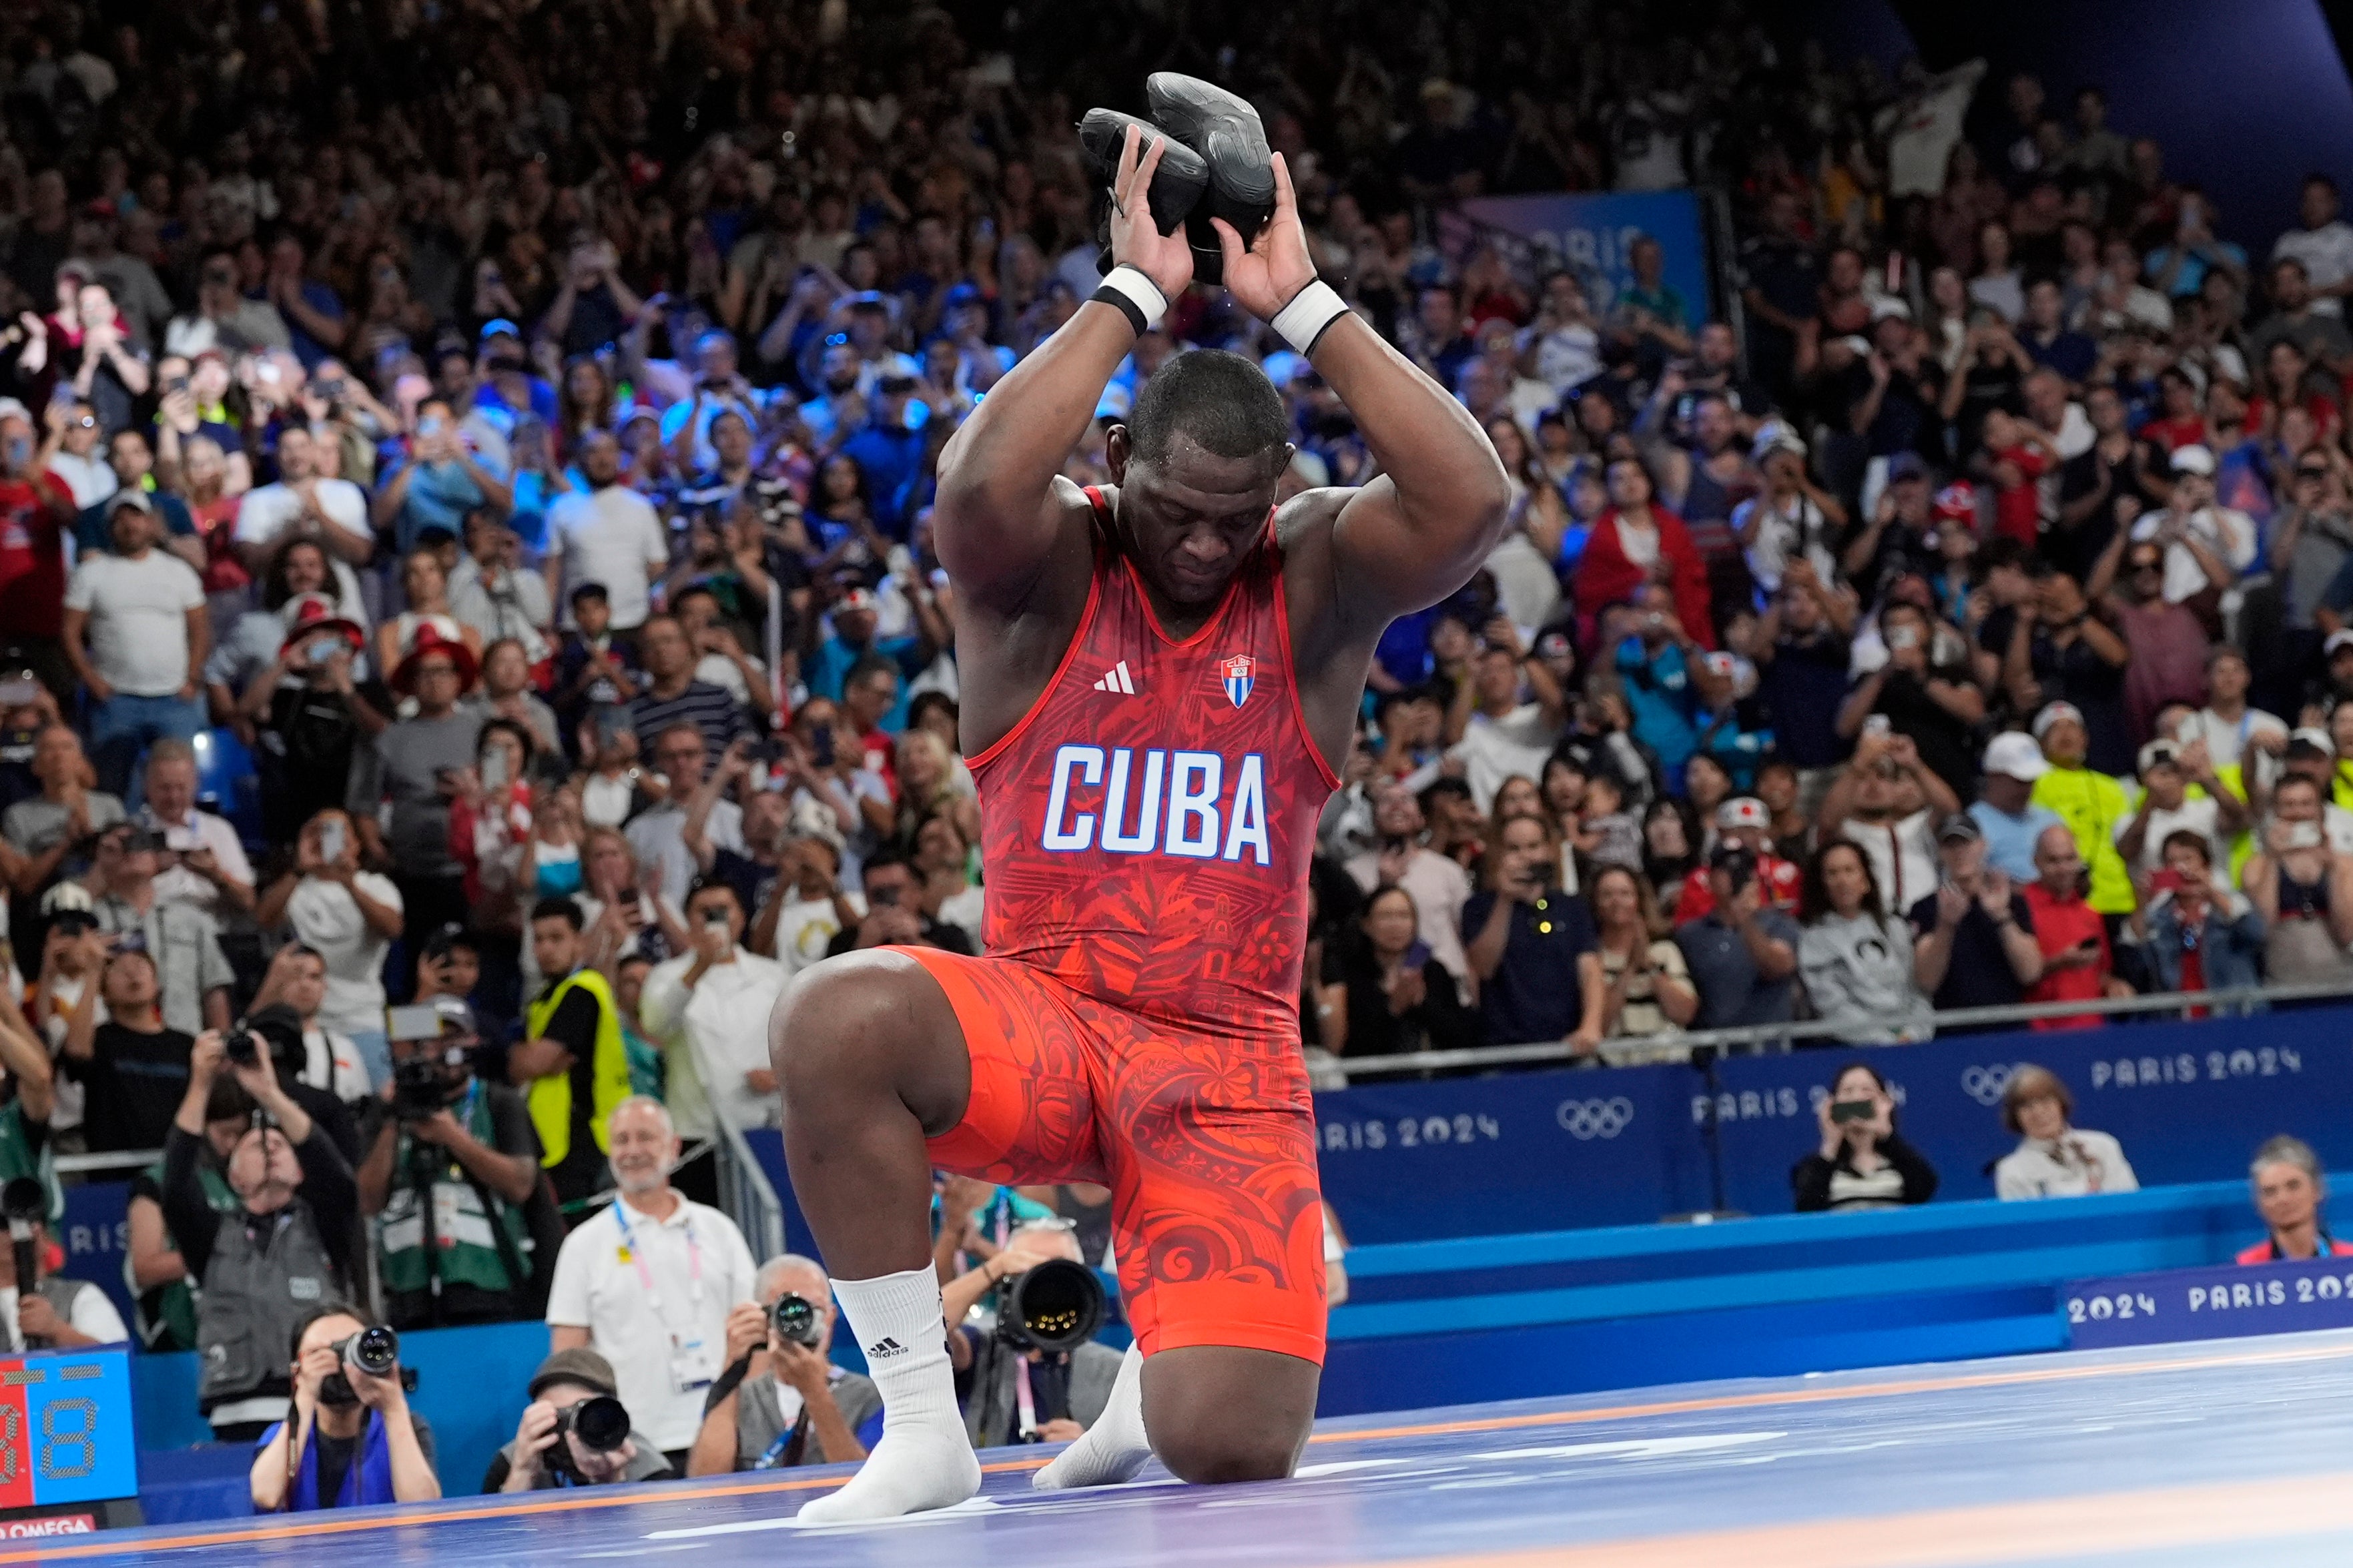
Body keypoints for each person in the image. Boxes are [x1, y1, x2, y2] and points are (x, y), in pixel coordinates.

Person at [767, 128, 1511, 1519]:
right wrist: (1125, 291)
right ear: (1116, 456)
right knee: (833, 1015)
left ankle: (1131, 1402)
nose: (1198, 543)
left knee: (1231, 1446)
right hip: (1043, 1021)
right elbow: (971, 490)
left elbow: (1471, 500)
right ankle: (922, 1430)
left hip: (1220, 1064)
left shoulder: (1311, 578)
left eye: (1236, 518)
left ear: (1279, 494)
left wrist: (1301, 301)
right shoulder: (1047, 563)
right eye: (1174, 508)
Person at [167, 1031, 360, 1441]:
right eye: (255, 1146)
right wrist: (200, 1083)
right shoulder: (212, 1235)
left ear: (300, 1171)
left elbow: (338, 1177)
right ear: (234, 1177)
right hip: (237, 1413)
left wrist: (269, 1093)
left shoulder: (326, 1225)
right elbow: (176, 1185)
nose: (270, 1147)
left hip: (324, 1407)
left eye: (280, 1143)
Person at [545, 1098, 758, 1468]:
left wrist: (749, 1422)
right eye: (621, 1140)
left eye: (645, 1137)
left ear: (674, 1146)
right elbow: (567, 1361)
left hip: (722, 1435)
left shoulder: (719, 1231)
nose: (633, 1151)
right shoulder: (583, 1245)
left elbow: (756, 1337)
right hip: (629, 1445)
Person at [356, 998, 543, 1330]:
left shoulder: (499, 1101)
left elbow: (521, 1184)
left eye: (454, 1039)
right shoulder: (385, 1111)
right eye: (432, 1041)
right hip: (408, 1287)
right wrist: (392, 1118)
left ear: (473, 1043)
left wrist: (452, 1136)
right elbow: (368, 1200)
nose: (444, 1051)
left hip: (489, 1280)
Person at [62, 490, 208, 797]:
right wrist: (92, 680)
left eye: (137, 517)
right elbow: (70, 633)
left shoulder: (178, 571)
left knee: (177, 787)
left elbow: (200, 628)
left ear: (150, 523)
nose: (130, 525)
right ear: (110, 527)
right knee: (115, 787)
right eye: (121, 519)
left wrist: (193, 678)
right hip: (117, 700)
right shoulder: (91, 574)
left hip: (173, 699)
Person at [685, 1255, 882, 1476]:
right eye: (786, 1308)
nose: (799, 1319)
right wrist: (732, 1368)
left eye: (812, 1308)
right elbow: (705, 1481)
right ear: (762, 1316)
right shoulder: (739, 1398)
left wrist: (815, 1391)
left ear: (831, 1316)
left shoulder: (869, 1397)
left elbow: (864, 1482)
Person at [258, 811, 404, 1090]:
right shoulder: (297, 889)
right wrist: (300, 867)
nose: (330, 837)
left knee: (379, 1105)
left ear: (357, 843)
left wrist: (348, 883)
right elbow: (264, 919)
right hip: (307, 1022)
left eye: (339, 830)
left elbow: (392, 929)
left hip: (361, 1017)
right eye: (320, 830)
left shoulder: (376, 886)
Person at [248, 1303, 439, 1512]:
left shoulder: (405, 1427)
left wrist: (394, 1408)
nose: (339, 1365)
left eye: (350, 1350)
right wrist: (303, 1397)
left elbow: (423, 1508)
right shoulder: (281, 1436)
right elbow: (266, 1495)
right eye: (319, 1354)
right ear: (296, 1370)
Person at [640, 878, 787, 1138]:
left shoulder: (774, 976)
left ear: (741, 918)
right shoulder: (666, 975)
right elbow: (656, 1025)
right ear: (689, 921)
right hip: (697, 1130)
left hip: (766, 1124)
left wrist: (781, 1075)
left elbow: (800, 1043)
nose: (713, 919)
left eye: (722, 909)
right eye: (704, 912)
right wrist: (700, 966)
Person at [515, 899, 635, 1212]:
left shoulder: (581, 992)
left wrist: (530, 1062)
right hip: (554, 1136)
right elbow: (528, 1064)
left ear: (579, 941)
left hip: (583, 1138)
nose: (545, 949)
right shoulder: (545, 998)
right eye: (538, 940)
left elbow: (532, 1063)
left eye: (556, 938)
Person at [1463, 813, 1604, 1050]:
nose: (1525, 856)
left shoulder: (1572, 907)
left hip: (1567, 1045)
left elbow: (1590, 970)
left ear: (1548, 850)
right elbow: (1484, 968)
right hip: (1504, 1050)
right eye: (1514, 848)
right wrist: (1505, 899)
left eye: (1533, 846)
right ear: (1499, 853)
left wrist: (1591, 1026)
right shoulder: (1478, 907)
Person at [59, 940, 195, 1152]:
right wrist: (94, 973)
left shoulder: (187, 1045)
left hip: (173, 1171)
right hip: (111, 1173)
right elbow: (76, 1052)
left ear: (157, 984)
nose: (132, 974)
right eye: (121, 970)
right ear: (105, 992)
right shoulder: (99, 1040)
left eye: (140, 966)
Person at [1796, 839, 1933, 1044]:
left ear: (1865, 881)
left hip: (1913, 1042)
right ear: (1823, 885)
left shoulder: (1895, 927)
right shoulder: (1814, 941)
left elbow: (1917, 990)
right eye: (1832, 873)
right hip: (1854, 1048)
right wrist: (1883, 1041)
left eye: (1849, 870)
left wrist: (1914, 1034)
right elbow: (1833, 1006)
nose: (1842, 880)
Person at [1340, 777, 1472, 988]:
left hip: (1447, 991)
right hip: (1378, 992)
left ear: (1421, 818)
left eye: (1406, 800)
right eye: (1386, 801)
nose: (1396, 806)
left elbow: (1468, 938)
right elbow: (1351, 939)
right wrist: (1383, 888)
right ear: (1374, 817)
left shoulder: (1448, 871)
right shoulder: (1351, 873)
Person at [1910, 815, 2045, 1019]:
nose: (1959, 852)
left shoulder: (2011, 902)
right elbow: (1927, 980)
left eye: (1966, 843)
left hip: (2008, 1024)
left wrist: (2002, 917)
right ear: (1941, 852)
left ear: (1983, 845)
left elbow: (2031, 972)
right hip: (1953, 1028)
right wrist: (1946, 926)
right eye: (1950, 845)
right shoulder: (1926, 908)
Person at [488, 1346, 677, 1491]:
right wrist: (522, 1475)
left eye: (584, 1417)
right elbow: (488, 1538)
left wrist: (614, 1483)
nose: (571, 1433)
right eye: (558, 1419)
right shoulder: (513, 1461)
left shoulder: (648, 1469)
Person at [1331, 884, 1475, 1059]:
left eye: (1404, 916)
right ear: (1366, 924)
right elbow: (1353, 1047)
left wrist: (1422, 1003)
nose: (1396, 925)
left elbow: (1462, 1036)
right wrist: (1393, 1009)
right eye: (1385, 916)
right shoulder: (1354, 975)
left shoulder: (1433, 971)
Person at [2130, 829, 2266, 1012]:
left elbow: (2256, 935)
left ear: (2206, 864)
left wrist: (2212, 893)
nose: (2181, 869)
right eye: (2172, 862)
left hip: (2232, 1015)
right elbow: (2141, 958)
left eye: (2188, 859)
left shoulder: (2230, 905)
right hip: (2180, 1020)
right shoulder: (2160, 916)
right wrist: (2141, 905)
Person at [545, 432, 667, 636]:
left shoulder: (640, 506)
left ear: (619, 457)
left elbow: (657, 565)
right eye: (593, 452)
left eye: (609, 451)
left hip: (633, 623)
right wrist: (548, 625)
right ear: (580, 459)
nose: (602, 459)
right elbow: (552, 572)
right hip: (577, 627)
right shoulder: (561, 508)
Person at [1675, 841, 1802, 1032]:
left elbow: (1779, 966)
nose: (1735, 877)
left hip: (1770, 1049)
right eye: (1726, 870)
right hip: (1712, 1050)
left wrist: (1745, 919)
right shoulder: (1690, 934)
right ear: (1710, 879)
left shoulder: (1779, 923)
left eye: (1743, 871)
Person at [1791, 1062, 1940, 1213]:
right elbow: (1807, 1208)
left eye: (1867, 1090)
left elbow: (1925, 1189)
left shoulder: (1900, 1161)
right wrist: (1830, 1145)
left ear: (1884, 1101)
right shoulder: (1819, 1165)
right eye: (1848, 1091)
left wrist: (1887, 1135)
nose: (1857, 1098)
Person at [1993, 1065, 2139, 1200]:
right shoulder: (2012, 1171)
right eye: (2027, 1107)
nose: (2038, 1112)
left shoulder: (2104, 1145)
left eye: (2045, 1101)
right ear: (2015, 1117)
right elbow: (2024, 1226)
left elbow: (2130, 1204)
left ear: (2060, 1103)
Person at [1588, 863, 1697, 1040]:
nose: (1617, 902)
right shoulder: (1592, 958)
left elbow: (1684, 1014)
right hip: (1614, 1062)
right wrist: (1630, 969)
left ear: (1638, 900)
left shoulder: (1665, 951)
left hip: (1666, 1060)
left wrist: (1650, 966)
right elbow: (1599, 1026)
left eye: (1625, 894)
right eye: (1607, 895)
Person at [2236, 1136, 2353, 1264]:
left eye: (2293, 1186)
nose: (2283, 1199)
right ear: (2258, 1203)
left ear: (2317, 1189)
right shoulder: (2244, 1268)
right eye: (2270, 1191)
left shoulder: (2349, 1260)